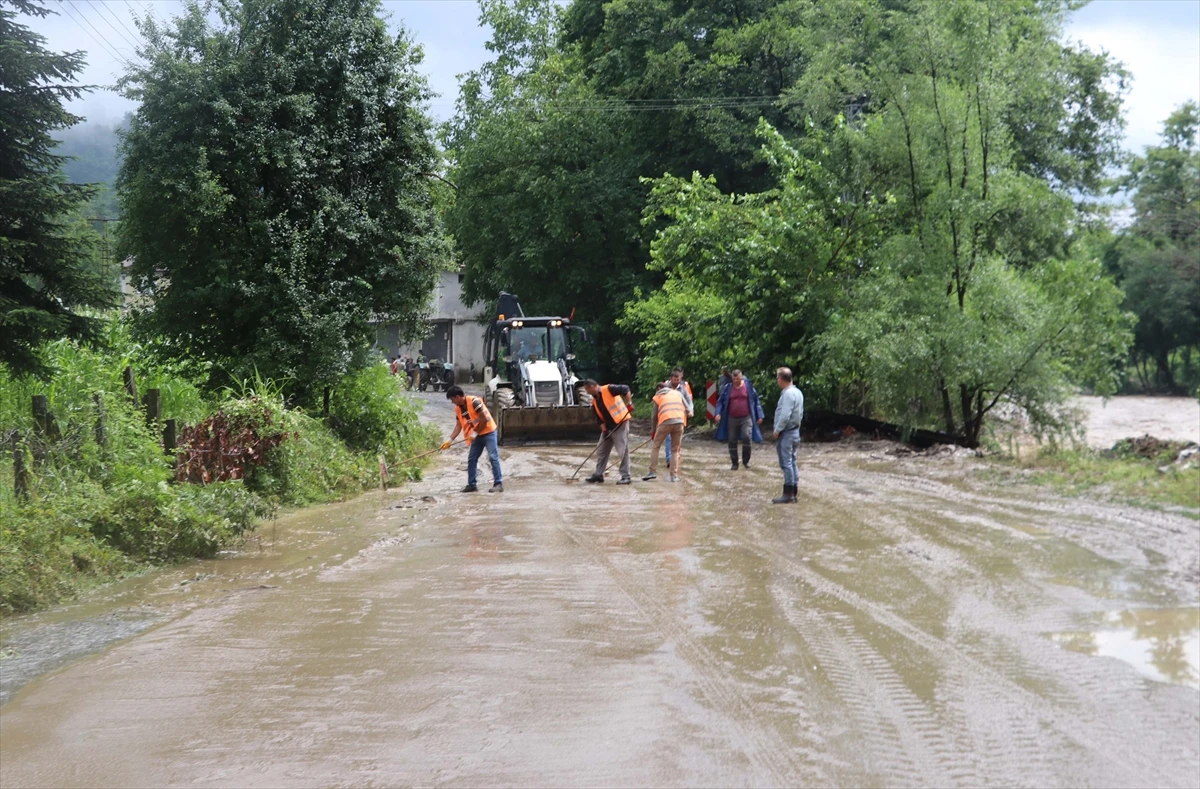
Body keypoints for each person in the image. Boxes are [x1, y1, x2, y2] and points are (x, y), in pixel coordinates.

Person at [442, 385, 504, 493]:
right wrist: (450, 440)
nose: (452, 402)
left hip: (489, 432)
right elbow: (458, 426)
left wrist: (475, 433)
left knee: (493, 457)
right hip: (477, 434)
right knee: (472, 459)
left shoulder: (475, 402)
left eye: (452, 399)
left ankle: (498, 483)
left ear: (457, 397)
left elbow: (484, 420)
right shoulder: (458, 409)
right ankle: (472, 485)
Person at [582, 378, 633, 485]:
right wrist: (604, 431)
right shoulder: (594, 401)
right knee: (601, 450)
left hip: (620, 424)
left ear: (592, 387)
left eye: (587, 390)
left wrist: (629, 403)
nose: (587, 392)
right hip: (608, 428)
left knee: (622, 451)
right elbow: (599, 419)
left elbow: (625, 388)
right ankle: (599, 475)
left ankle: (626, 476)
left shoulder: (609, 389)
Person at [714, 369, 765, 470]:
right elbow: (720, 401)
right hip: (732, 417)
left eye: (737, 378)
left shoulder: (748, 387)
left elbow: (756, 400)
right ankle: (734, 463)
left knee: (746, 436)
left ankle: (746, 461)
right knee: (732, 439)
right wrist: (718, 413)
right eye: (734, 379)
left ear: (741, 377)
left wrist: (760, 415)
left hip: (746, 417)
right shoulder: (727, 388)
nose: (735, 381)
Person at [772, 367, 804, 504]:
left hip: (787, 432)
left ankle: (788, 494)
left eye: (777, 378)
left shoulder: (788, 394)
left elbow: (785, 415)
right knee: (792, 461)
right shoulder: (798, 392)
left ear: (781, 379)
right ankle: (793, 491)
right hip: (795, 431)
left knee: (786, 463)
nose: (777, 381)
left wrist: (777, 429)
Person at [643, 382, 687, 482]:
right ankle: (674, 476)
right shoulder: (677, 393)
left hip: (666, 421)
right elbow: (687, 409)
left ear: (658, 390)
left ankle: (652, 472)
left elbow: (654, 416)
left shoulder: (658, 396)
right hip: (680, 421)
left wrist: (653, 431)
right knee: (675, 450)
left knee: (656, 446)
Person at [662, 367, 693, 469]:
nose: (676, 381)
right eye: (675, 379)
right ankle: (669, 460)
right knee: (668, 438)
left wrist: (690, 410)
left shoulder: (684, 387)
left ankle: (675, 457)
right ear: (671, 378)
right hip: (667, 416)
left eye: (678, 379)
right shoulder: (665, 387)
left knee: (676, 440)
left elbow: (689, 400)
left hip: (680, 417)